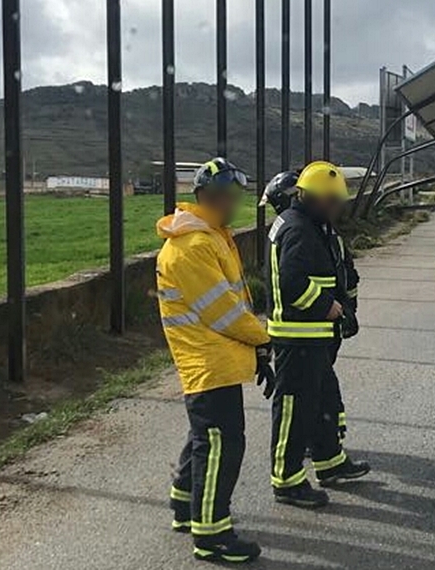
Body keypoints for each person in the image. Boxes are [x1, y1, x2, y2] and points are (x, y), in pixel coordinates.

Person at [157, 157, 274, 564]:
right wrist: (263, 339)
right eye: (229, 196)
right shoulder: (194, 245)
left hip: (212, 357)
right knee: (222, 445)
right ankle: (212, 534)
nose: (235, 203)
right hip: (207, 359)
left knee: (205, 436)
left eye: (238, 195)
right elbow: (222, 311)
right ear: (207, 196)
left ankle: (184, 503)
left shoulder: (212, 235)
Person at [266, 161, 370, 509]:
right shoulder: (298, 229)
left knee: (323, 400)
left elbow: (338, 272)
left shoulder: (313, 225)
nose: (337, 208)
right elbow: (293, 283)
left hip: (316, 337)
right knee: (294, 409)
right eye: (332, 201)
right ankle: (287, 480)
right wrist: (329, 306)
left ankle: (329, 460)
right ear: (312, 197)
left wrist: (343, 309)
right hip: (298, 337)